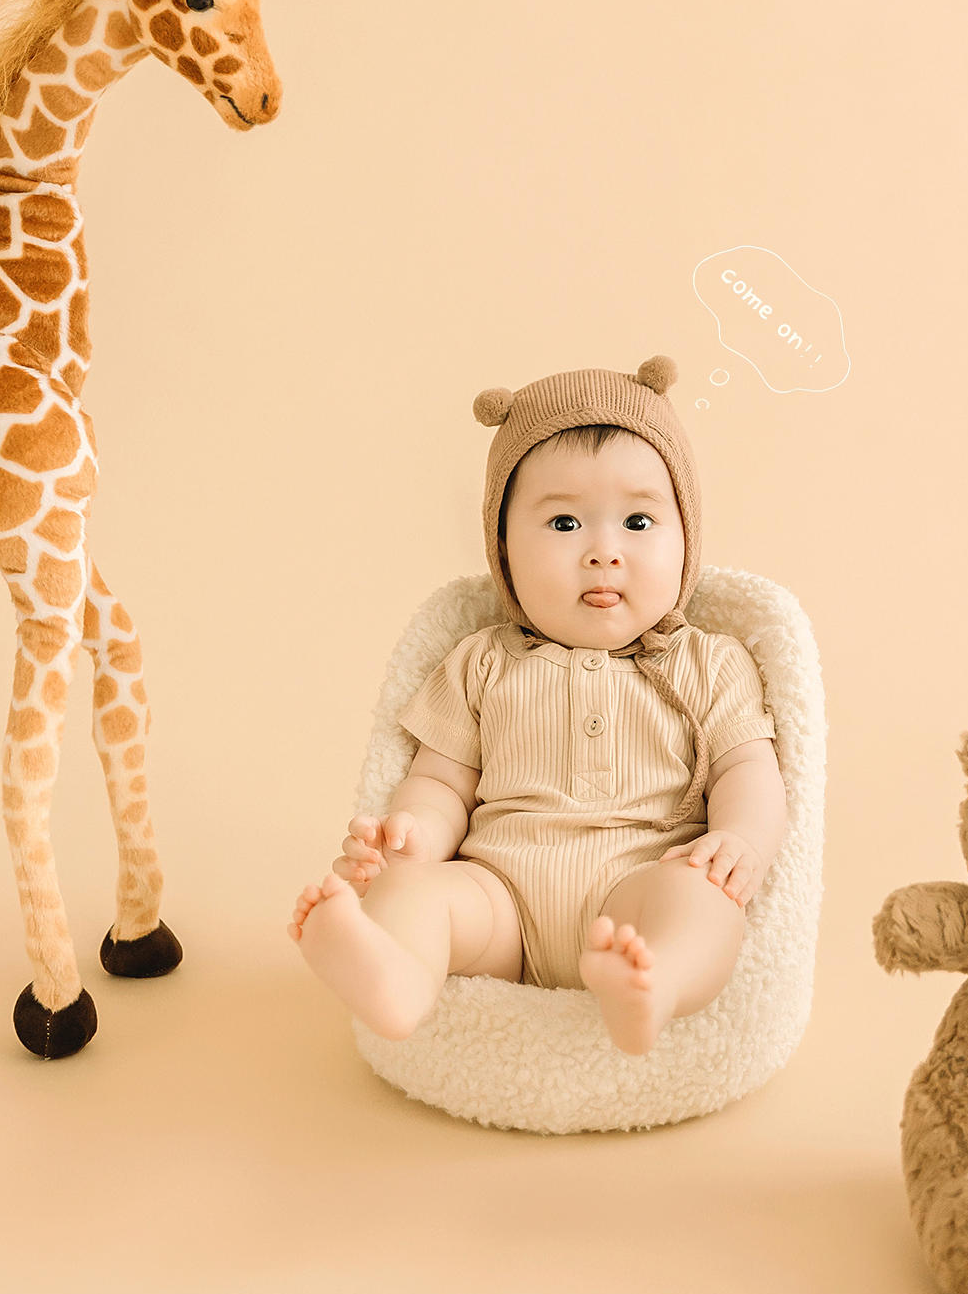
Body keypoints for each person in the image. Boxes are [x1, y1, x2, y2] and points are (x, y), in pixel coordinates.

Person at [291, 355, 787, 1056]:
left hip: (642, 885)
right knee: (417, 894)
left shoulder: (710, 662)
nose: (603, 552)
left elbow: (748, 770)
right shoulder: (482, 662)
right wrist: (413, 837)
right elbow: (440, 782)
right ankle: (396, 979)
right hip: (501, 898)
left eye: (638, 520)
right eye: (563, 523)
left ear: (685, 539)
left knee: (705, 903)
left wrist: (741, 841)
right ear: (504, 550)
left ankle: (655, 984)